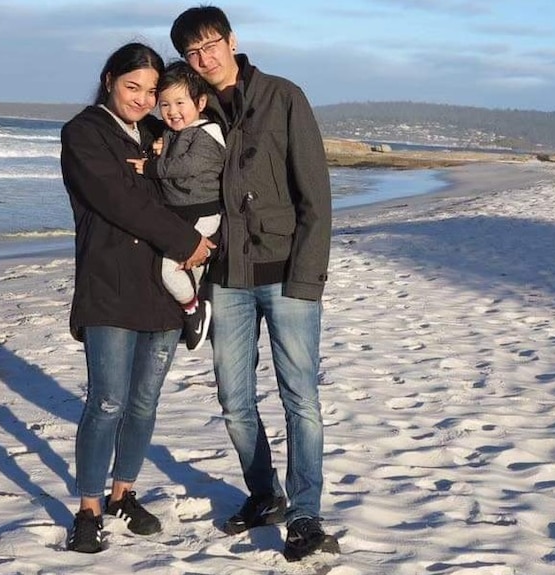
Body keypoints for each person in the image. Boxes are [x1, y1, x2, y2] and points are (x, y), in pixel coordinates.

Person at [171, 6, 338, 562]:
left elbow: (315, 194)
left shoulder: (283, 96)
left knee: (301, 400)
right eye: (192, 53)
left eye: (210, 45)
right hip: (227, 280)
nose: (204, 58)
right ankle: (266, 495)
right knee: (234, 400)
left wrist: (308, 278)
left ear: (230, 40)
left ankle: (306, 514)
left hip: (287, 275)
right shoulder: (191, 110)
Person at [60, 42, 216, 554]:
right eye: (134, 87)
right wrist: (187, 242)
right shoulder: (83, 134)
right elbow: (119, 200)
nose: (144, 100)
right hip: (108, 285)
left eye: (151, 91)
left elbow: (193, 181)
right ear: (109, 80)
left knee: (144, 402)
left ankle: (123, 492)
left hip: (164, 291)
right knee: (106, 401)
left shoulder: (157, 134)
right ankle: (89, 508)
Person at [127, 60, 226, 352]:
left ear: (201, 102)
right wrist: (161, 145)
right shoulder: (174, 132)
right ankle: (194, 309)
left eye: (180, 103)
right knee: (187, 268)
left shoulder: (208, 133)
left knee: (169, 270)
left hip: (202, 212)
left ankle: (194, 309)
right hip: (182, 212)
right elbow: (173, 152)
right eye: (165, 105)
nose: (172, 112)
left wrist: (153, 167)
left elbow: (188, 166)